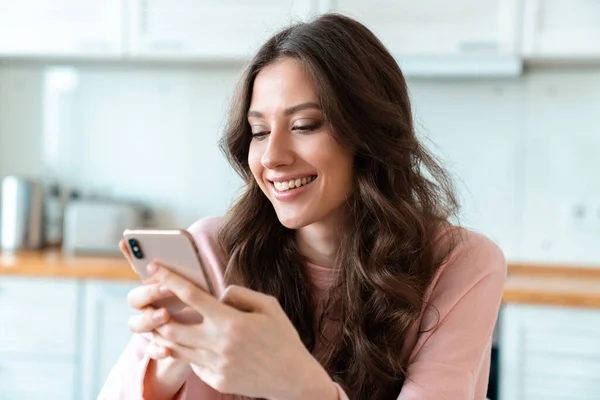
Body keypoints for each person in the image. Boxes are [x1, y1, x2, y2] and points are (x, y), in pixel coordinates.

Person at [99, 13, 506, 400]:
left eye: (304, 126)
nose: (272, 156)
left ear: (368, 134)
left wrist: (299, 384)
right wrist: (170, 364)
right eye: (259, 131)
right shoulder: (212, 251)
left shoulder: (460, 265)